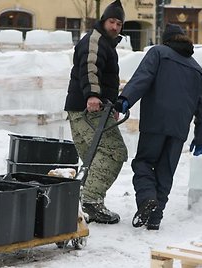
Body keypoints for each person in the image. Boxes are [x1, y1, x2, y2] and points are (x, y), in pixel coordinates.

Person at [114, 23, 202, 230]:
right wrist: (201, 138)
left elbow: (143, 77)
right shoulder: (196, 68)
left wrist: (125, 99)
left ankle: (148, 199)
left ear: (166, 39)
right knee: (165, 171)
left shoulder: (158, 53)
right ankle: (155, 217)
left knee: (143, 163)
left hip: (155, 123)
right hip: (178, 130)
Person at [64, 0, 128, 224]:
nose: (115, 27)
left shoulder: (105, 44)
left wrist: (110, 104)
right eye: (112, 21)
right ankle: (90, 202)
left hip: (83, 108)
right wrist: (92, 95)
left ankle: (83, 202)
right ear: (104, 21)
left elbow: (105, 75)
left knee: (92, 157)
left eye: (119, 24)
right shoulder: (95, 40)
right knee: (114, 152)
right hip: (88, 107)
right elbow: (90, 67)